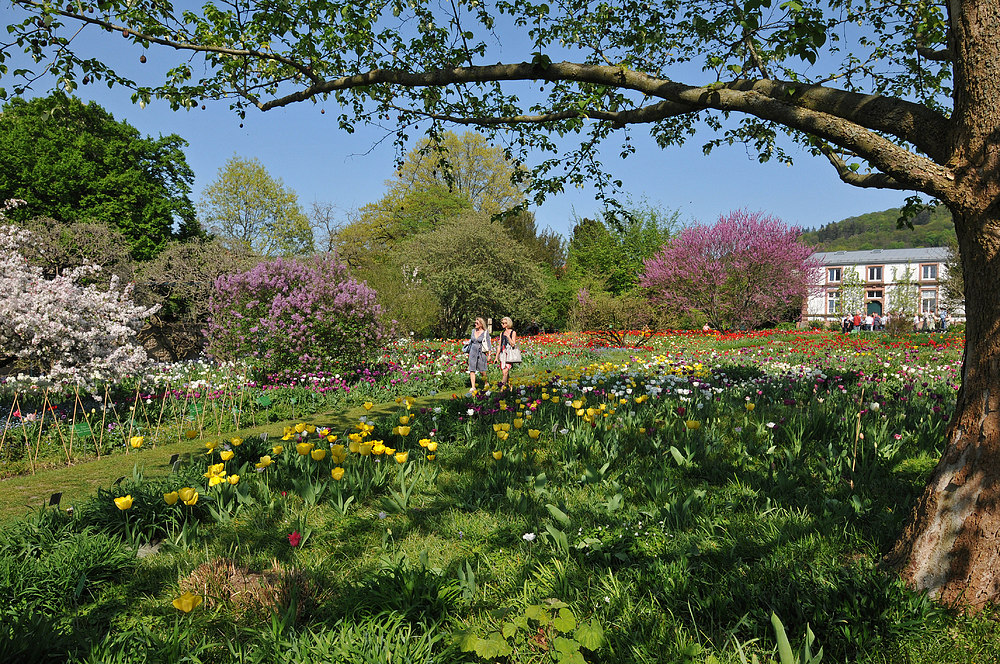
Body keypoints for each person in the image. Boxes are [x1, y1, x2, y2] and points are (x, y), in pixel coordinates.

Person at [465, 317, 490, 394]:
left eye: (477, 323)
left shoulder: (485, 332)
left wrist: (489, 354)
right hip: (472, 351)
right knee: (472, 369)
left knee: (482, 370)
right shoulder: (473, 331)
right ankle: (473, 387)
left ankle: (486, 383)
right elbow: (471, 341)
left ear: (481, 324)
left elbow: (488, 344)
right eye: (475, 323)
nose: (475, 324)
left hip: (481, 352)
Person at [493, 316, 518, 390]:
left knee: (505, 372)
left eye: (504, 323)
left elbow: (513, 344)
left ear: (508, 323)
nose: (502, 324)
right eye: (502, 323)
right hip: (502, 354)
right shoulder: (502, 333)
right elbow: (499, 345)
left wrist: (508, 336)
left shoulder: (513, 332)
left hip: (509, 353)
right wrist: (496, 357)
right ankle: (511, 388)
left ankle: (502, 389)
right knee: (506, 373)